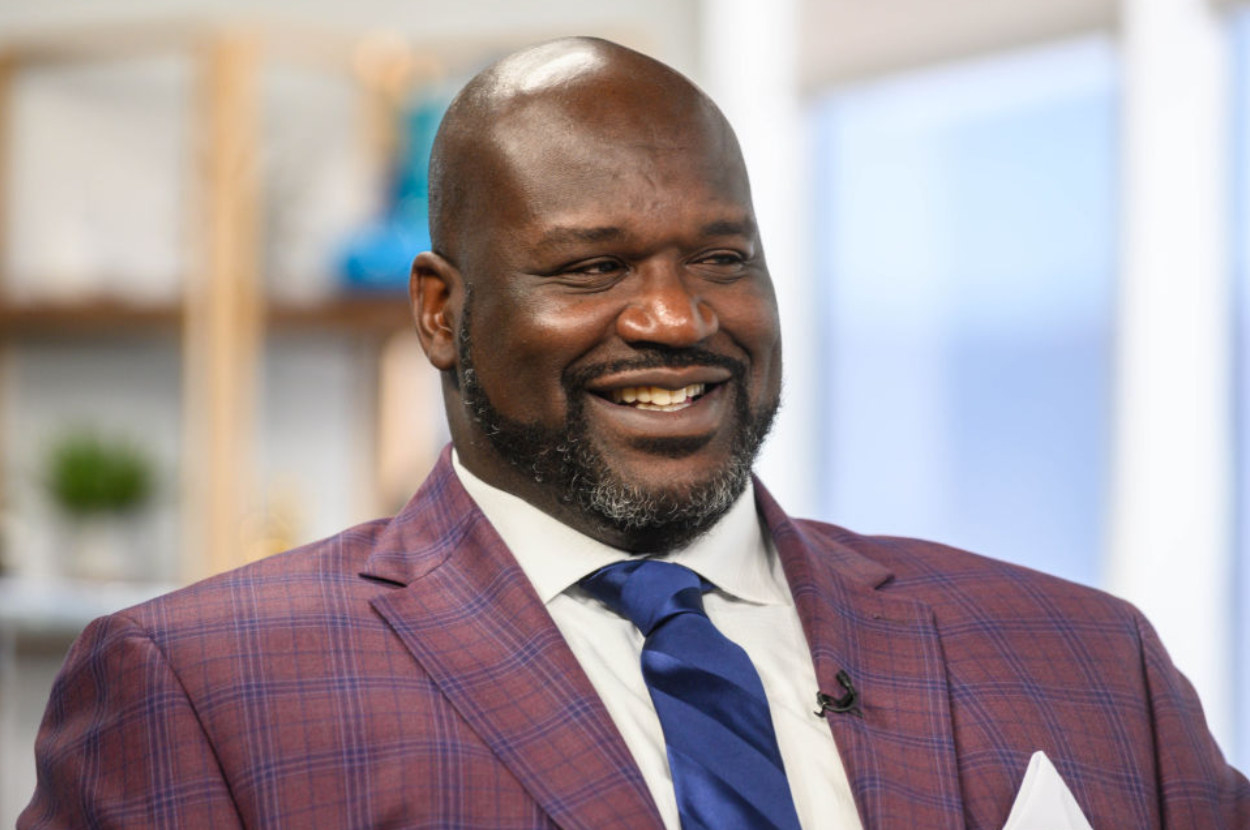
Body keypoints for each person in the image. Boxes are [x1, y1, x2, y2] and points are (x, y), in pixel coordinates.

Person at [19, 36, 1248, 830]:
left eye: (721, 257)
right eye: (591, 265)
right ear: (443, 311)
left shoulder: (1088, 658)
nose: (675, 315)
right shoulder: (201, 691)